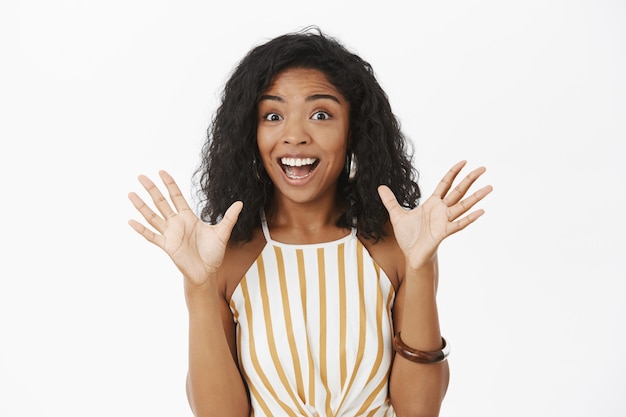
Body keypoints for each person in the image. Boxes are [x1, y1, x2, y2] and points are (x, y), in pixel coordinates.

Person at [128, 27, 492, 417]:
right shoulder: (228, 258)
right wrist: (199, 288)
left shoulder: (396, 248)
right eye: (273, 115)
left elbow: (419, 412)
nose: (295, 135)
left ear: (353, 130)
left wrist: (419, 269)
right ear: (251, 133)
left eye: (320, 114)